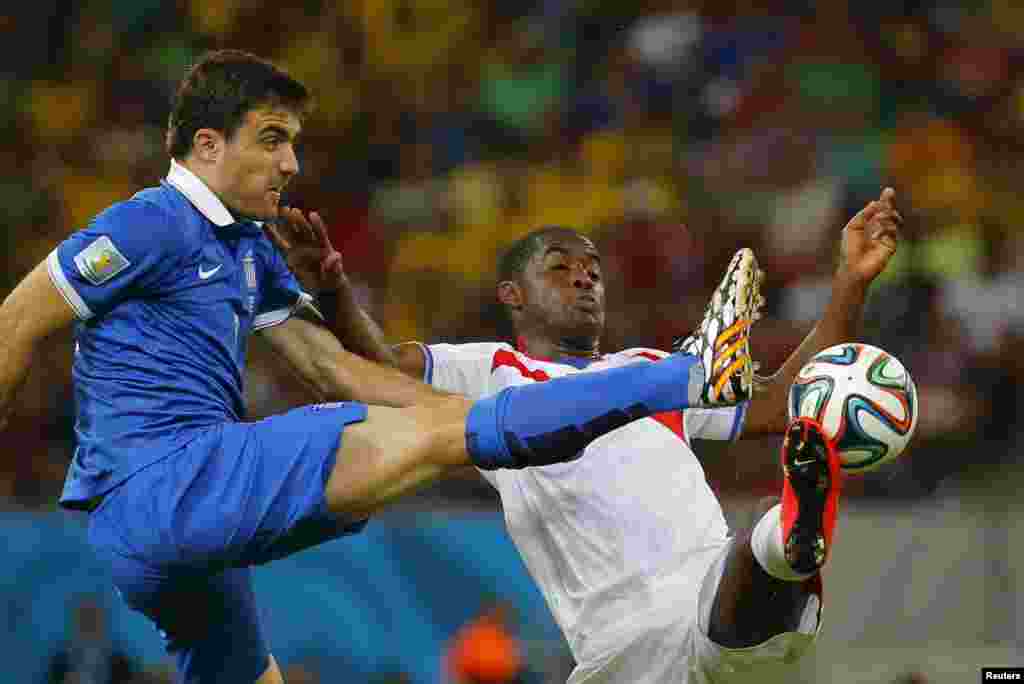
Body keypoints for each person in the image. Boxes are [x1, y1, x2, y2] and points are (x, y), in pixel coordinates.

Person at [0, 51, 757, 684]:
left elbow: (331, 366)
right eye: (271, 139)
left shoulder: (247, 249)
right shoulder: (151, 222)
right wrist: (462, 425)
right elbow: (14, 322)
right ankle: (689, 373)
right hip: (171, 479)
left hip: (168, 539)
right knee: (439, 434)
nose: (291, 163)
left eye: (293, 142)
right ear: (207, 145)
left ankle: (633, 390)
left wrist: (452, 417)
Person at [284, 188, 901, 681]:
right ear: (512, 295)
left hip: (716, 606)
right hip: (625, 645)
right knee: (757, 553)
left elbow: (780, 401)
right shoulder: (491, 373)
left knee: (755, 544)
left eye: (593, 271)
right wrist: (333, 291)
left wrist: (850, 280)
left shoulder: (651, 371)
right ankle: (786, 543)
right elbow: (381, 370)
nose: (584, 279)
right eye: (560, 268)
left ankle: (790, 538)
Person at [44, 596, 139, 684]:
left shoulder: (119, 663)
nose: (89, 626)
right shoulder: (60, 663)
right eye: (84, 620)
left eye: (94, 620)